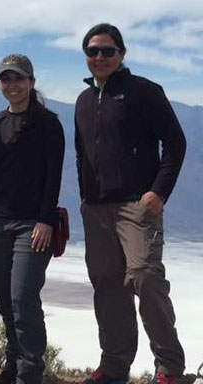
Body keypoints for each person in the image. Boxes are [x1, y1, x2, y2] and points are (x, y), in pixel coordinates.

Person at [75, 23, 186, 384]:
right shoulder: (84, 100)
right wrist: (83, 195)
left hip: (136, 206)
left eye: (107, 51)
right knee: (107, 286)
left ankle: (168, 367)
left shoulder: (144, 92)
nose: (100, 57)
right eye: (93, 52)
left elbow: (175, 143)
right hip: (95, 210)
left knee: (145, 277)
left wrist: (158, 192)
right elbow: (82, 155)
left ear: (121, 54)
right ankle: (114, 366)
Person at [0, 54, 65, 384]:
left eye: (18, 78)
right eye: (5, 79)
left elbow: (53, 175)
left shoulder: (48, 122)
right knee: (3, 298)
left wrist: (45, 220)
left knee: (22, 297)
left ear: (31, 82)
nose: (12, 85)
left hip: (33, 225)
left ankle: (30, 373)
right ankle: (12, 364)